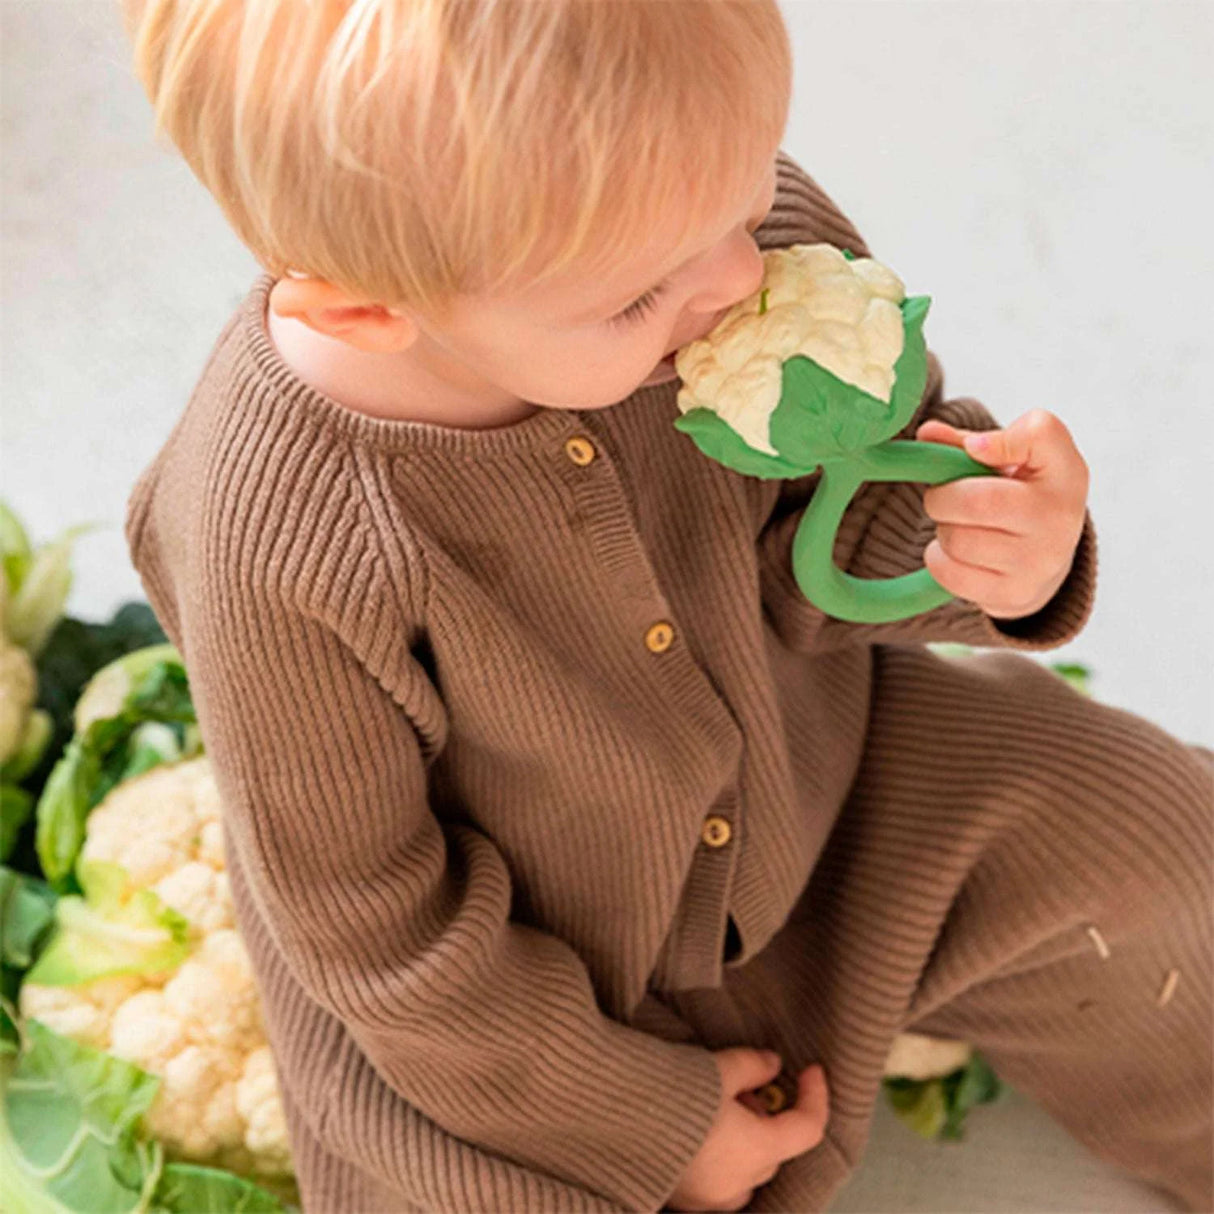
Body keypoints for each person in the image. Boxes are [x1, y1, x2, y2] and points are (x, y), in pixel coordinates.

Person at [117, 1, 1212, 1210]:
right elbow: (373, 926)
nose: (740, 276)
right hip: (525, 983)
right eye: (637, 298)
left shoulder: (686, 228)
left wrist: (990, 548)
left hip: (835, 787)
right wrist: (634, 1113)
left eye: (743, 201)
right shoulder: (266, 538)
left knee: (1159, 843)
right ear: (370, 308)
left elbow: (840, 490)